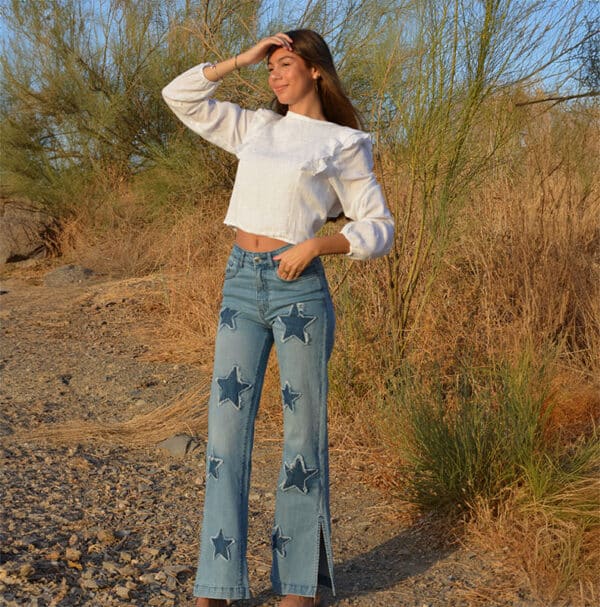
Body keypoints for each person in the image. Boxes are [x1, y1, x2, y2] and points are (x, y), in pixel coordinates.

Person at [162, 29, 394, 607]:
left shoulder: (343, 143)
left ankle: (297, 585)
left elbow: (380, 227)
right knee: (224, 435)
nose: (274, 75)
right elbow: (179, 95)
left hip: (299, 291)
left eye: (284, 64)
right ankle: (216, 584)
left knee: (301, 437)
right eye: (269, 68)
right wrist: (242, 58)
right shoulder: (257, 127)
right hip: (241, 281)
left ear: (315, 70)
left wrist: (319, 246)